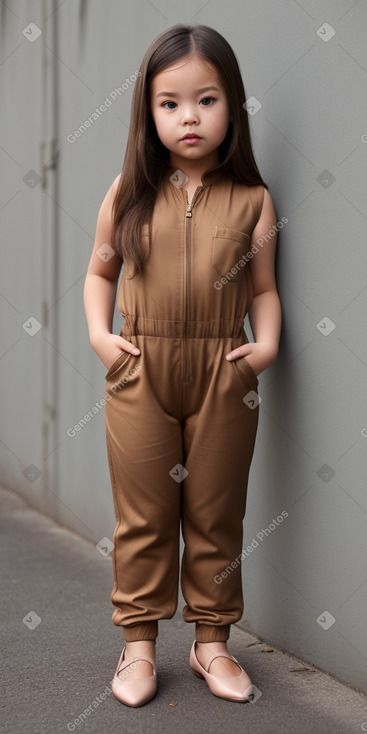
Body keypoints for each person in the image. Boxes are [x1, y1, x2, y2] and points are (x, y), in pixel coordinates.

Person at [83, 23, 282, 707]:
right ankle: (138, 649)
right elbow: (97, 275)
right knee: (141, 514)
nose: (188, 116)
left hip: (223, 371)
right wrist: (100, 337)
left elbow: (261, 290)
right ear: (148, 112)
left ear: (232, 107)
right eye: (169, 103)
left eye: (205, 99)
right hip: (141, 368)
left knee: (215, 512)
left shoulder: (252, 200)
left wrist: (266, 345)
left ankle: (211, 644)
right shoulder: (127, 193)